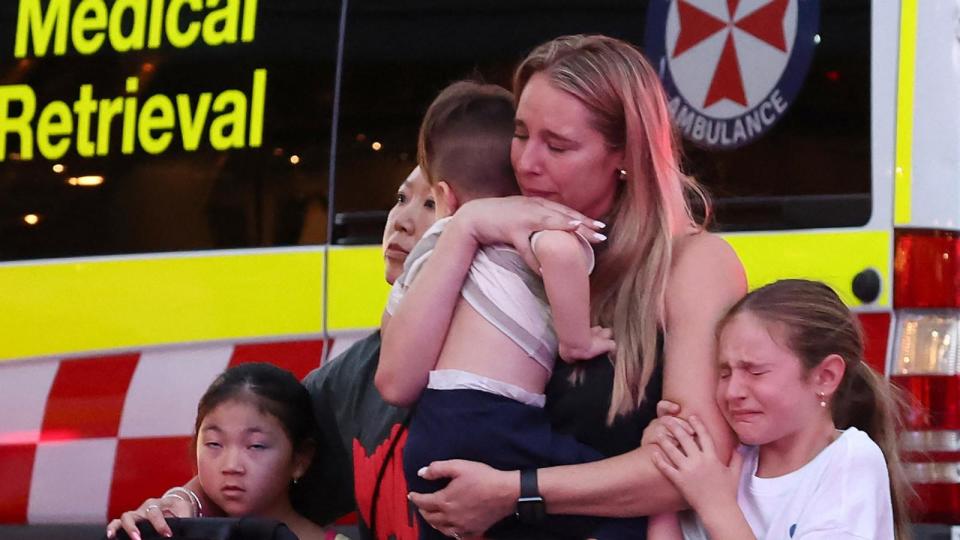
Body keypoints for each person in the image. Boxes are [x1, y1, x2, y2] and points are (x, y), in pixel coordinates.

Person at [381, 34, 746, 539]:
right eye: (520, 133)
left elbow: (693, 474)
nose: (527, 163)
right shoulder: (493, 238)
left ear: (626, 154)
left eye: (557, 145)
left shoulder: (692, 264)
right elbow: (396, 383)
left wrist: (515, 491)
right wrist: (466, 227)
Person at [106, 167, 438, 540]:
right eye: (400, 198)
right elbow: (263, 442)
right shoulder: (357, 374)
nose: (402, 221)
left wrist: (514, 491)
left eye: (432, 203)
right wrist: (181, 504)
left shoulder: (506, 360)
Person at [379, 80, 645, 539]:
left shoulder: (431, 248)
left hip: (430, 432)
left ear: (445, 197)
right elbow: (561, 257)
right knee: (627, 510)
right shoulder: (531, 227)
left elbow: (393, 359)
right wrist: (576, 339)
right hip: (494, 420)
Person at [644, 280, 911, 540]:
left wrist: (716, 506)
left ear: (825, 377)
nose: (733, 391)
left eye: (755, 371)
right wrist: (667, 466)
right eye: (724, 373)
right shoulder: (729, 461)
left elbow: (715, 505)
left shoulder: (849, 461)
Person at [107, 363, 347, 540]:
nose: (231, 465)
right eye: (214, 444)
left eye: (255, 446)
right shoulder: (177, 530)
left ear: (300, 459)